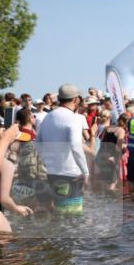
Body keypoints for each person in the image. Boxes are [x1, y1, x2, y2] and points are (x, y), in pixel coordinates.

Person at [36, 83, 90, 212]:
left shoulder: (48, 117)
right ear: (76, 100)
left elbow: (38, 143)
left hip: (51, 173)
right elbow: (75, 146)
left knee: (59, 211)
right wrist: (86, 172)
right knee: (72, 213)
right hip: (71, 173)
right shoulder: (74, 118)